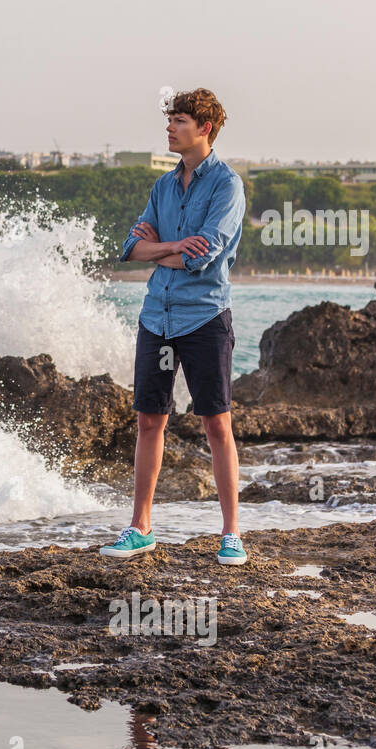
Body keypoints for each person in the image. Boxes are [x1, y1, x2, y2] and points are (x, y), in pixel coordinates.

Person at [99, 88, 248, 565]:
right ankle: (140, 527)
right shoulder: (162, 187)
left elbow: (201, 254)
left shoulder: (227, 185)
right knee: (148, 420)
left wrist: (165, 246)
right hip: (156, 316)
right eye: (170, 120)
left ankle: (231, 534)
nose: (169, 128)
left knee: (216, 423)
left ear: (204, 128)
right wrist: (170, 247)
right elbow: (129, 249)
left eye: (178, 120)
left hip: (204, 316)